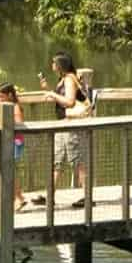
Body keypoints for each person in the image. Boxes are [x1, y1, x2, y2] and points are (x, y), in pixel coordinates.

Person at [41, 53, 91, 206]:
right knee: (58, 160)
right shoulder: (63, 79)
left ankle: (87, 197)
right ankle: (50, 196)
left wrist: (52, 95)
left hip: (71, 125)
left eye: (53, 62)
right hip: (63, 124)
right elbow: (63, 98)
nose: (51, 65)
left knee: (77, 161)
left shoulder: (69, 79)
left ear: (60, 64)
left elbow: (69, 102)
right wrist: (50, 90)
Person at [0, 83, 28, 211]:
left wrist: (9, 121)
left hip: (15, 142)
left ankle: (18, 198)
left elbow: (19, 123)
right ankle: (18, 197)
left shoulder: (14, 107)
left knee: (9, 169)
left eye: (2, 96)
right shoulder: (3, 106)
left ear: (9, 95)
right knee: (8, 169)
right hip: (9, 141)